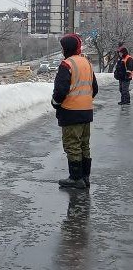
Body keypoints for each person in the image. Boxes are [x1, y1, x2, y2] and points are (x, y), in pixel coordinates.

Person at [52, 33, 98, 189]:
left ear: (66, 48)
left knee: (72, 145)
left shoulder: (67, 64)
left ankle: (75, 178)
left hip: (71, 111)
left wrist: (55, 102)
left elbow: (60, 90)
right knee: (84, 144)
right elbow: (94, 88)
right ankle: (85, 177)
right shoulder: (86, 63)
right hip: (87, 111)